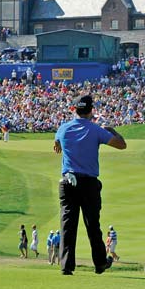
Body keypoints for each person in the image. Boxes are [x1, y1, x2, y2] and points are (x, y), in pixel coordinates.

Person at [54, 94, 126, 276]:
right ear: (91, 110)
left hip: (67, 182)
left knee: (67, 225)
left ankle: (66, 266)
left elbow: (56, 142)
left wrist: (58, 144)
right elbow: (121, 145)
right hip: (88, 183)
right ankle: (100, 263)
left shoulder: (63, 128)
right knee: (92, 224)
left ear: (74, 109)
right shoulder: (96, 130)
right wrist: (112, 131)